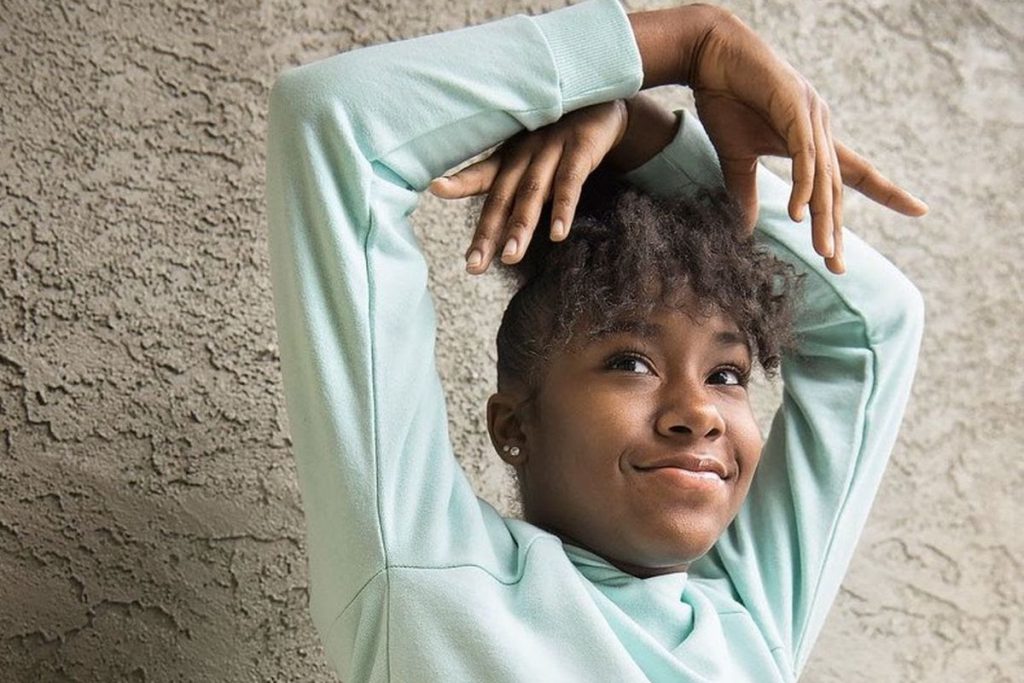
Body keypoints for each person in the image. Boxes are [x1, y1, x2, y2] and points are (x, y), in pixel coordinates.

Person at [264, 0, 927, 680]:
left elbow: (877, 326)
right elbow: (333, 120)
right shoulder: (426, 571)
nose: (699, 413)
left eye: (726, 374)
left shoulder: (748, 632)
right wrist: (686, 44)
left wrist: (641, 133)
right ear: (514, 426)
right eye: (631, 362)